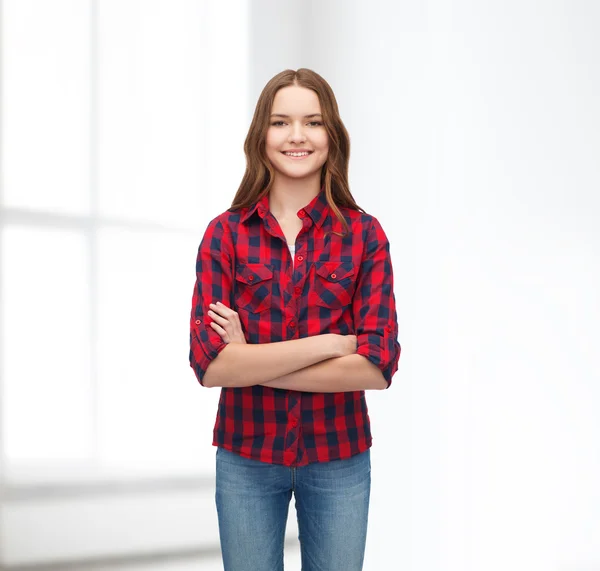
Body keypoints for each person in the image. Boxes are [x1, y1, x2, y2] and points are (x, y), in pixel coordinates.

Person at [188, 68, 401, 571]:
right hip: (246, 456)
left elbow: (377, 368)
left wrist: (252, 362)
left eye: (314, 121)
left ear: (333, 136)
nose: (298, 136)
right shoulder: (225, 235)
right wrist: (331, 343)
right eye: (282, 122)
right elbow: (210, 366)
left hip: (339, 457)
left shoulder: (365, 236)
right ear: (261, 135)